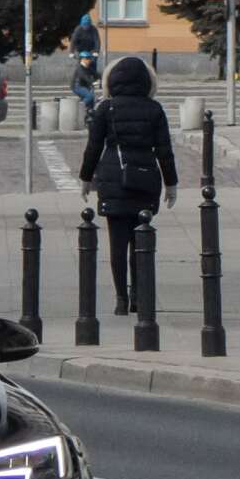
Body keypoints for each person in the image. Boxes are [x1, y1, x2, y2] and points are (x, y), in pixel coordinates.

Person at [77, 55, 178, 315]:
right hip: (144, 178)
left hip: (112, 178)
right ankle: (138, 296)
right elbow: (164, 150)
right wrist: (171, 183)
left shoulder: (105, 109)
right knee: (140, 239)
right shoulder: (154, 109)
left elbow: (93, 148)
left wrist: (86, 178)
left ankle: (121, 298)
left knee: (117, 243)